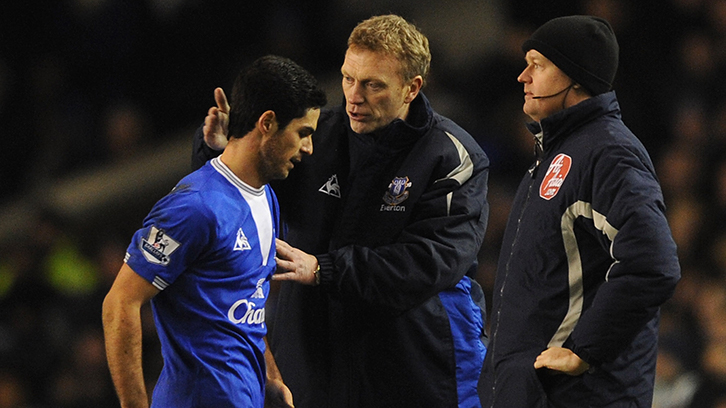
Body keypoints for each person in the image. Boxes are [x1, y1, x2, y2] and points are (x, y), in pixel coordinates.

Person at [193, 14, 490, 408]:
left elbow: (431, 262)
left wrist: (325, 269)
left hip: (417, 371)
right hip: (311, 365)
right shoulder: (311, 137)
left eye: (372, 85)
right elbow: (233, 205)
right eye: (349, 78)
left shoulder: (452, 157)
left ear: (411, 88)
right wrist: (225, 151)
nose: (353, 95)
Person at [477, 15, 681, 408]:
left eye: (537, 64)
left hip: (579, 396)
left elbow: (653, 263)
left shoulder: (608, 152)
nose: (523, 76)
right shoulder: (557, 152)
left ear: (574, 76)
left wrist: (583, 350)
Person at [102, 55, 327, 408]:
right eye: (303, 133)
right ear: (267, 123)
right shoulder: (193, 207)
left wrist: (271, 377)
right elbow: (119, 304)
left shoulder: (266, 197)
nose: (308, 148)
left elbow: (246, 304)